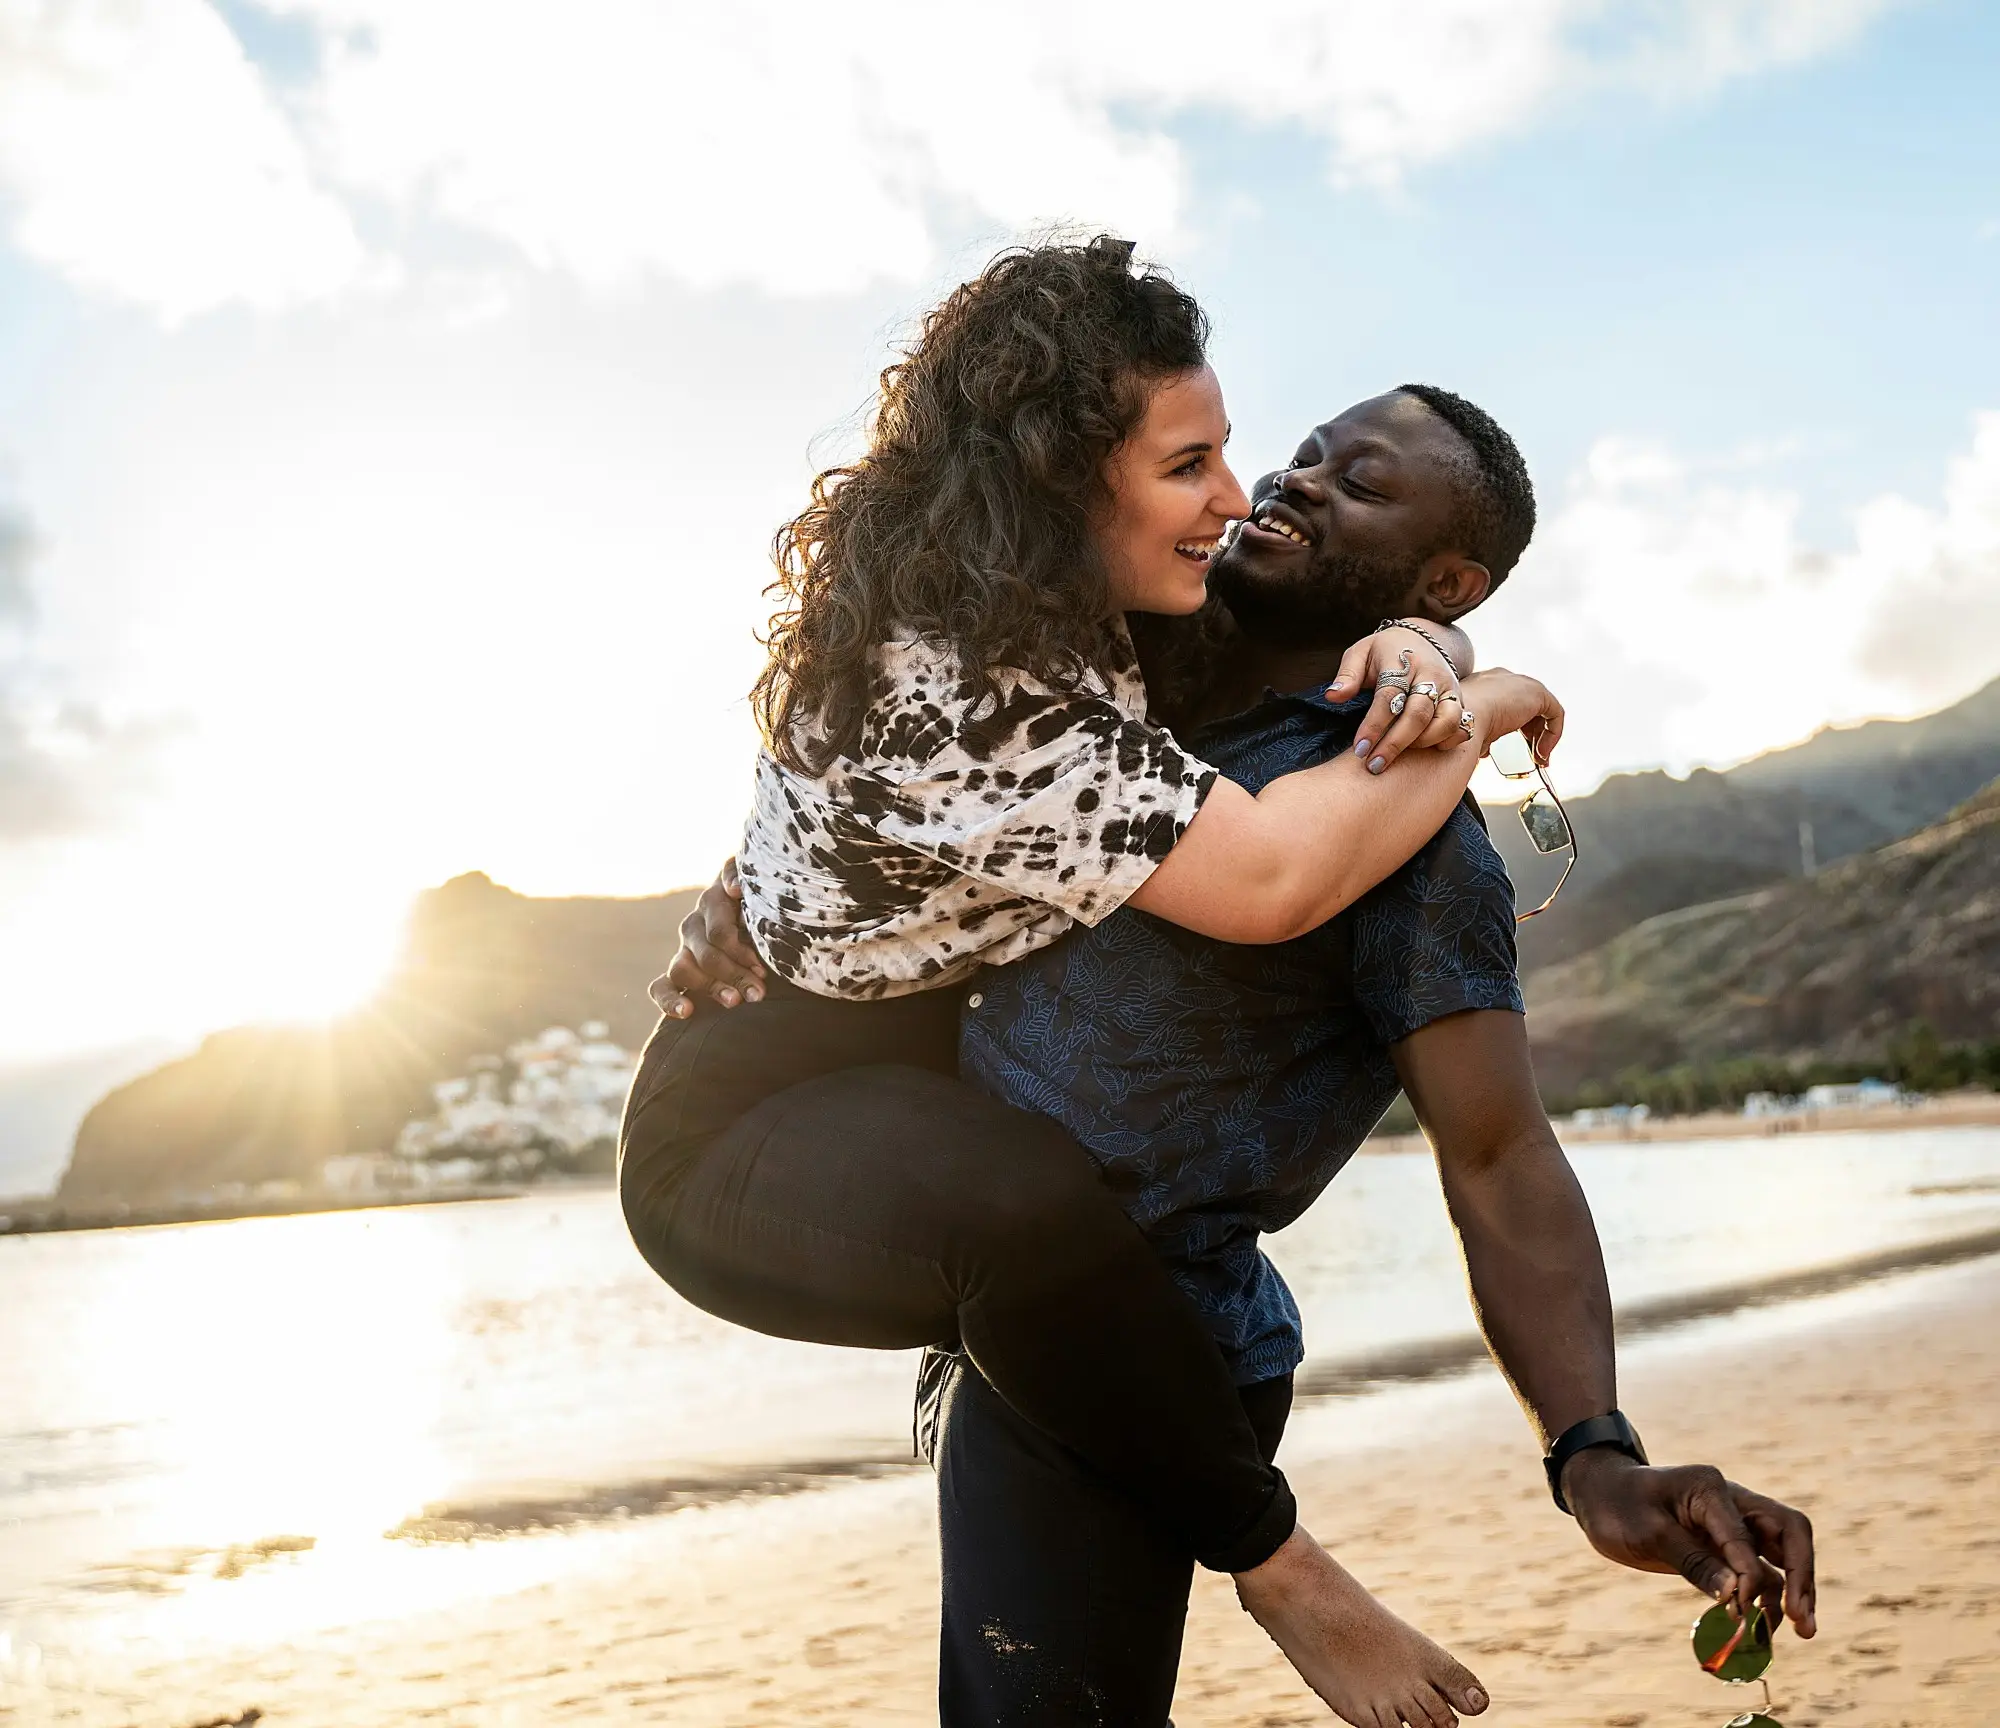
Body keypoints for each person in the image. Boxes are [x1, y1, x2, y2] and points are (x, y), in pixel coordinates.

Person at [658, 386, 1818, 1728]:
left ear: (1450, 573)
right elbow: (912, 783)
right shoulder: (1128, 687)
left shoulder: (1412, 842)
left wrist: (1594, 1453)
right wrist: (747, 891)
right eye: (1309, 451)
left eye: (1362, 485)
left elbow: (1500, 1157)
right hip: (1003, 1299)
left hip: (1152, 1329)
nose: (1300, 481)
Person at [618, 235, 1563, 1723]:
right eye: (1193, 463)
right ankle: (1290, 1573)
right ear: (1067, 479)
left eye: (1234, 453)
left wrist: (1434, 637)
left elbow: (1325, 652)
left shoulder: (1091, 612)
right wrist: (1491, 695)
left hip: (934, 1112)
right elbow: (1267, 878)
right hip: (751, 1131)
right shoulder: (966, 676)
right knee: (1029, 1214)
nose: (1240, 498)